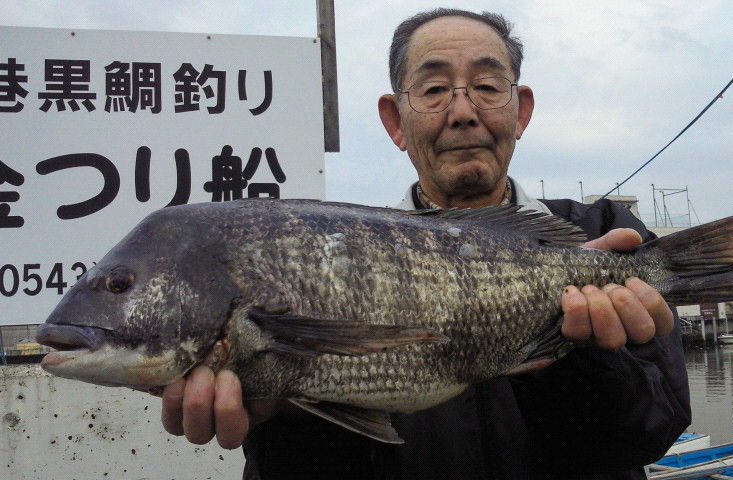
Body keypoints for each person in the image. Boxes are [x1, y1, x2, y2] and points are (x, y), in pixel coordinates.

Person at [159, 8, 690, 479]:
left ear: (520, 110)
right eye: (434, 90)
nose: (463, 111)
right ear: (395, 120)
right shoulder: (334, 262)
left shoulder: (598, 238)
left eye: (486, 86)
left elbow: (646, 435)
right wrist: (288, 419)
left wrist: (580, 356)